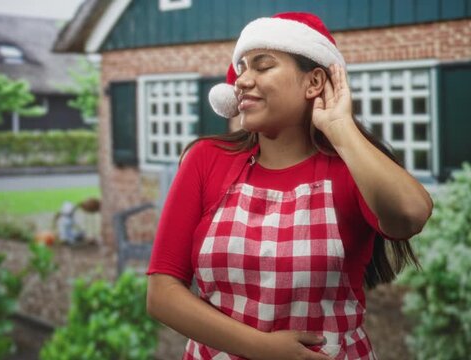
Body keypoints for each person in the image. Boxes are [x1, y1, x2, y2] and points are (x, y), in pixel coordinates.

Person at [146, 12, 433, 360]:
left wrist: (340, 128)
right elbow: (162, 293)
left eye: (262, 67)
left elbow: (410, 215)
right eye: (242, 70)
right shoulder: (206, 159)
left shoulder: (351, 167)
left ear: (313, 83)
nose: (243, 81)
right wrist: (264, 349)